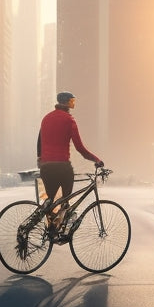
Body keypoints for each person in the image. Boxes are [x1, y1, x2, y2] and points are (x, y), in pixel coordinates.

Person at [37, 91, 103, 229]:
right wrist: (96, 159)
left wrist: (40, 159)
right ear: (66, 102)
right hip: (62, 167)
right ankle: (63, 218)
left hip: (46, 167)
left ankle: (51, 228)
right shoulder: (69, 120)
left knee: (50, 199)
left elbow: (39, 141)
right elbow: (80, 148)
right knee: (65, 199)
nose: (74, 103)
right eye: (72, 101)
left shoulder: (46, 118)